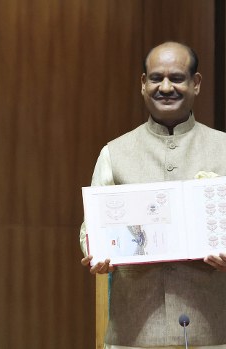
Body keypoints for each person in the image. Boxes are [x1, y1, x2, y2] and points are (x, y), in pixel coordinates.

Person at [80, 42, 226, 348]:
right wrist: (97, 252)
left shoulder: (223, 148)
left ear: (196, 84)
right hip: (134, 332)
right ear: (143, 84)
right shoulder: (115, 152)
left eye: (177, 78)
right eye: (156, 78)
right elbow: (91, 229)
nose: (166, 87)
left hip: (212, 330)